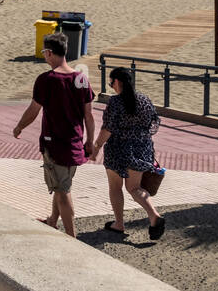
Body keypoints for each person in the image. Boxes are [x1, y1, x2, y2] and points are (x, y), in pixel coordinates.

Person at [12, 31, 95, 239]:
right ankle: (52, 220)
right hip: (75, 143)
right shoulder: (81, 79)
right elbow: (89, 116)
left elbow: (33, 110)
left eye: (44, 52)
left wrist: (19, 127)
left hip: (55, 144)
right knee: (61, 184)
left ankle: (71, 237)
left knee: (63, 190)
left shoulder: (46, 79)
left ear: (49, 53)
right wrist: (90, 142)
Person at [91, 67, 165, 240]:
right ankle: (154, 216)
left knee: (115, 187)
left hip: (118, 149)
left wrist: (96, 146)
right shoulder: (145, 100)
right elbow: (154, 124)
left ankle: (119, 223)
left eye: (111, 82)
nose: (111, 85)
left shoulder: (115, 102)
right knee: (134, 188)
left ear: (118, 82)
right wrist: (140, 137)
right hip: (141, 149)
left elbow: (107, 128)